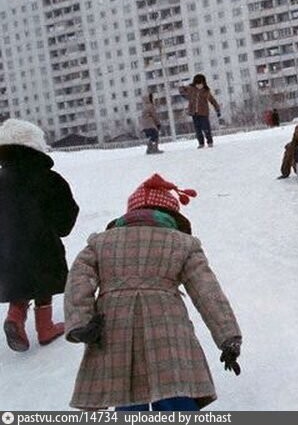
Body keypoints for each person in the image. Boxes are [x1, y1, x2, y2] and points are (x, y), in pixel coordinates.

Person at [64, 174, 242, 410]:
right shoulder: (183, 243)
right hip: (168, 331)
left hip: (114, 329)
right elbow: (207, 291)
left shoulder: (100, 243)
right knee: (175, 391)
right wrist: (228, 337)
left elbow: (79, 279)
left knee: (124, 394)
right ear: (172, 215)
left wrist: (80, 322)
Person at [0, 119, 80, 352]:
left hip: (7, 247)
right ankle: (45, 327)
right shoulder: (50, 179)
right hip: (42, 244)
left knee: (20, 282)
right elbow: (67, 213)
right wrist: (57, 228)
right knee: (43, 280)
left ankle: (15, 316)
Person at [179, 73, 221, 148]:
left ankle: (210, 141)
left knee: (206, 128)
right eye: (197, 84)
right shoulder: (191, 89)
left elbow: (213, 101)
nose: (199, 86)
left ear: (203, 83)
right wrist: (182, 88)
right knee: (198, 129)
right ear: (194, 84)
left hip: (204, 113)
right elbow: (182, 90)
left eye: (200, 84)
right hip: (194, 113)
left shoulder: (206, 91)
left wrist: (217, 109)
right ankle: (201, 143)